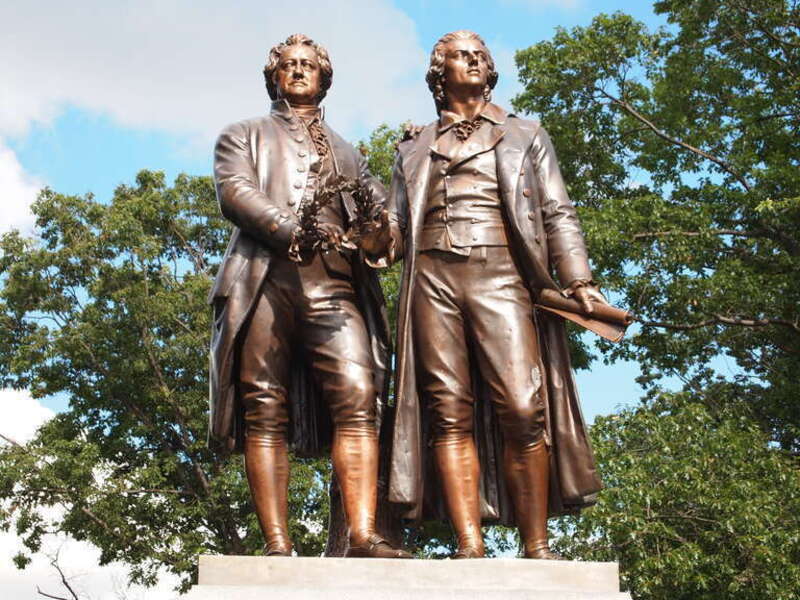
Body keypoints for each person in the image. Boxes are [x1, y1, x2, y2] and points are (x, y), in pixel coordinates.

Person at [362, 30, 606, 559]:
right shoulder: (412, 145)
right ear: (438, 73)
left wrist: (579, 279)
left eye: (480, 56)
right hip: (432, 279)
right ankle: (468, 543)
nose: (472, 60)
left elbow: (557, 211)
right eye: (459, 55)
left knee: (523, 408)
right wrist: (373, 231)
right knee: (448, 411)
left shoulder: (526, 134)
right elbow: (395, 233)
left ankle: (535, 544)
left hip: (502, 274)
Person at [208, 33, 409, 559]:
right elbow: (234, 190)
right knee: (264, 406)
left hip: (334, 287)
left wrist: (377, 234)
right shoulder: (242, 133)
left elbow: (384, 222)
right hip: (265, 279)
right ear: (274, 76)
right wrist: (287, 226)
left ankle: (363, 534)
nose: (298, 72)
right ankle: (277, 542)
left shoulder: (350, 151)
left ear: (324, 78)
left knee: (360, 397)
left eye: (308, 66)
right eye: (289, 66)